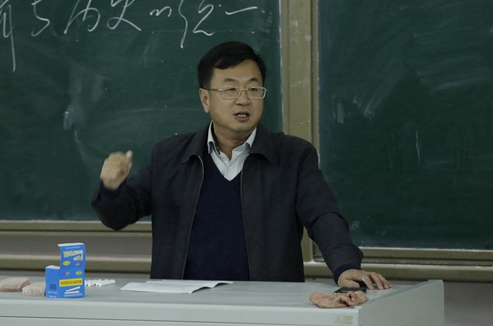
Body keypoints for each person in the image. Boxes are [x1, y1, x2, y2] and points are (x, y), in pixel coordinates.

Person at [92, 41, 391, 289]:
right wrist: (111, 187)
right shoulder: (170, 156)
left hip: (265, 306)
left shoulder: (293, 156)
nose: (243, 100)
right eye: (230, 89)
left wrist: (344, 265)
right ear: (205, 99)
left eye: (253, 89)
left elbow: (323, 216)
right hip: (183, 307)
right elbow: (118, 216)